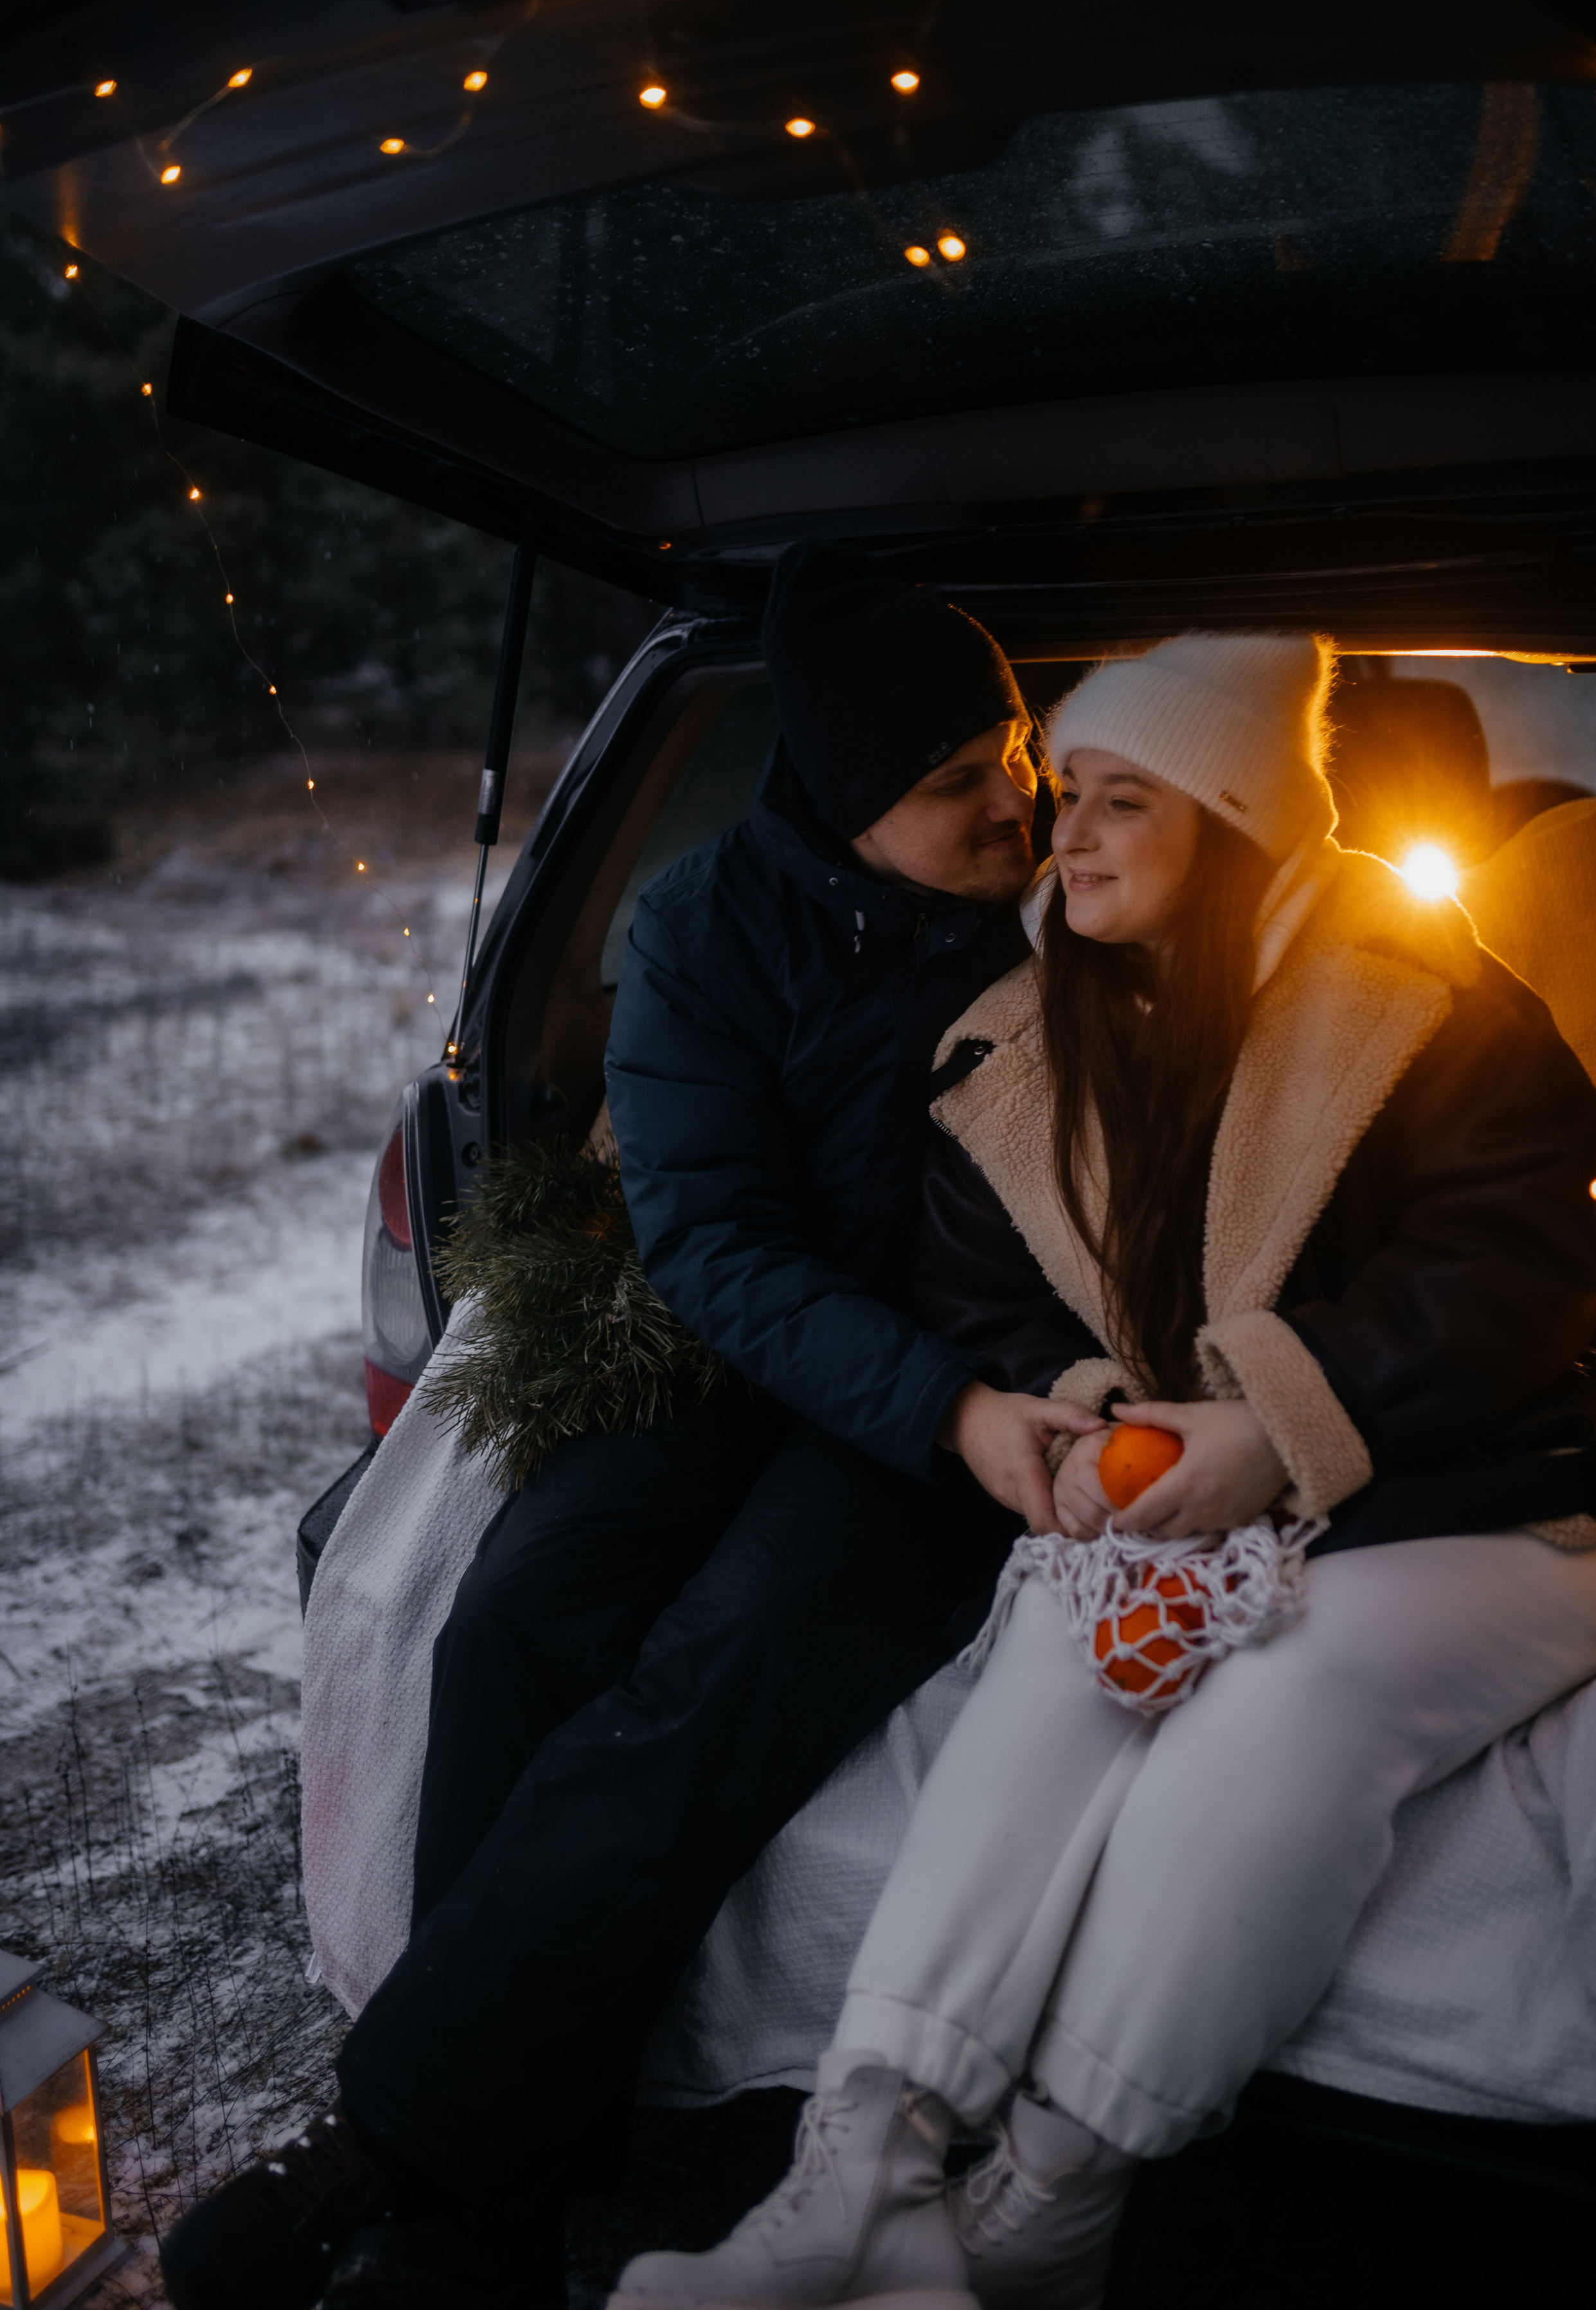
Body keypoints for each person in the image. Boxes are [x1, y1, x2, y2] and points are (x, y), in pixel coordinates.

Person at [613, 629, 1596, 2310]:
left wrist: (1271, 1426)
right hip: (1215, 1487)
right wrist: (1094, 1416)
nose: (1058, 832)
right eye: (1057, 792)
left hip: (1491, 1491)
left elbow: (1515, 1272)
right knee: (1062, 1648)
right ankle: (863, 2165)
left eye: (1116, 802)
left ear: (1234, 819)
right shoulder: (1027, 1044)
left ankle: (1052, 2198)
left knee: (1279, 1703)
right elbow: (987, 1288)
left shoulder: (1430, 993)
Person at [159, 546, 1102, 2310]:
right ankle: (506, 2213)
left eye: (1020, 751)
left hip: (957, 1410)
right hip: (754, 1354)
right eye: (959, 779)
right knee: (519, 1611)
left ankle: (406, 2156)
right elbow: (717, 1243)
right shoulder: (695, 925)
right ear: (840, 801)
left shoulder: (1071, 922)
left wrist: (972, 1409)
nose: (1021, 800)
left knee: (713, 1670)